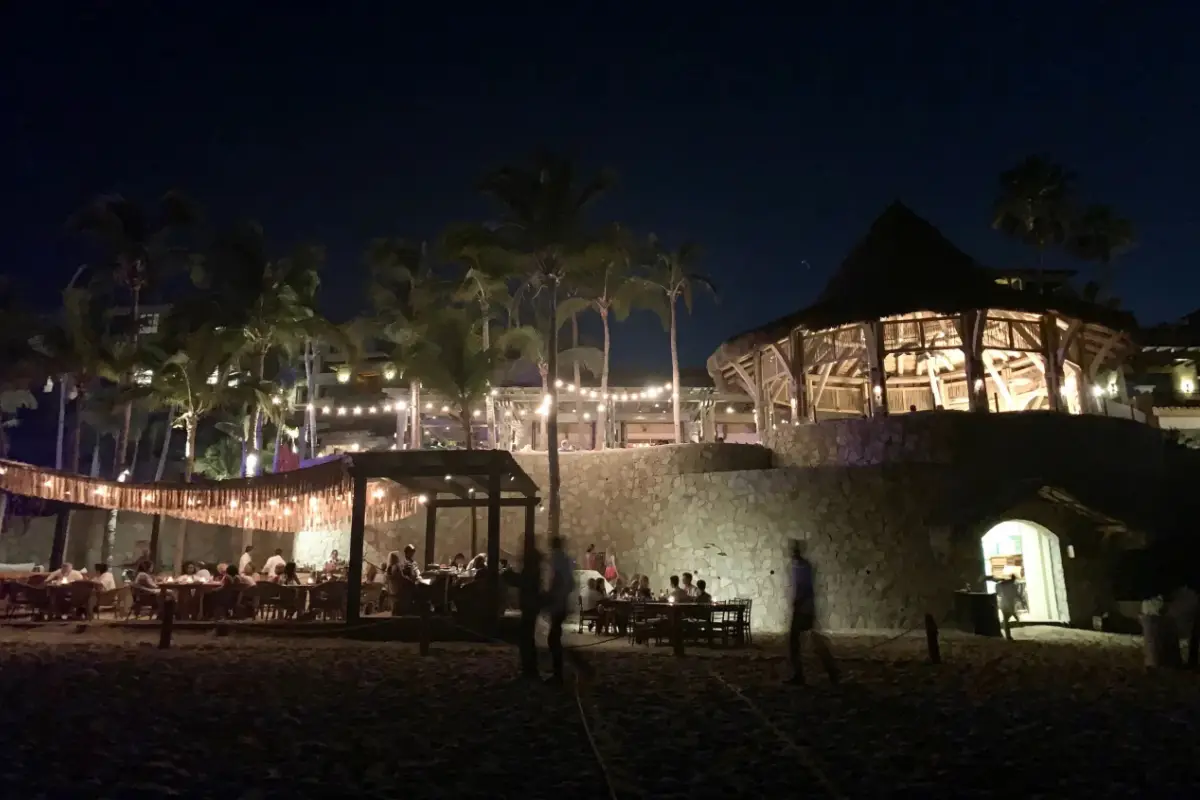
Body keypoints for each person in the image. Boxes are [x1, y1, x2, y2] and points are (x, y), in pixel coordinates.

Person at [787, 540, 838, 686]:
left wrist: (798, 603)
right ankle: (830, 672)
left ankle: (803, 674)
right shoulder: (800, 566)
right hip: (805, 607)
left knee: (799, 642)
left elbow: (804, 588)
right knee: (807, 641)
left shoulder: (802, 567)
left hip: (803, 608)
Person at [545, 535, 575, 685]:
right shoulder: (567, 560)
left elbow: (557, 580)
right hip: (561, 602)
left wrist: (551, 595)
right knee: (555, 637)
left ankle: (559, 674)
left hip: (557, 603)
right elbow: (571, 584)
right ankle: (559, 672)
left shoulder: (557, 560)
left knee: (553, 639)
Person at [517, 542, 543, 680]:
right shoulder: (535, 570)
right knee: (527, 638)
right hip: (531, 607)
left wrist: (510, 577)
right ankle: (530, 668)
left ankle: (529, 669)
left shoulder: (530, 571)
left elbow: (525, 583)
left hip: (529, 607)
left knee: (526, 638)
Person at [995, 575, 1020, 641]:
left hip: (1003, 603)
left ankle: (1007, 635)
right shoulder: (1012, 585)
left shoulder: (1001, 585)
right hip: (1009, 603)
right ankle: (1008, 635)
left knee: (1006, 619)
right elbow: (1016, 594)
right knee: (1007, 618)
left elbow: (998, 593)